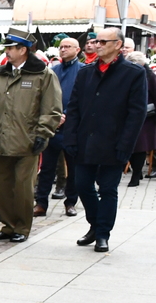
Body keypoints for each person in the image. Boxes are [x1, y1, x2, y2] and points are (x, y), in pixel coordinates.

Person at [63, 27, 148, 252]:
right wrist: (71, 137)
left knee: (108, 189)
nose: (96, 45)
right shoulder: (86, 72)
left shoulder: (133, 73)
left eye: (102, 42)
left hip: (114, 142)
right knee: (82, 185)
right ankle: (95, 224)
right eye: (95, 41)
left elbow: (136, 113)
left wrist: (126, 145)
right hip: (85, 141)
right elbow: (74, 107)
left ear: (117, 45)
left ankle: (102, 234)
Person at [0, 34, 62, 243]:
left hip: (28, 141)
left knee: (23, 188)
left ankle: (22, 227)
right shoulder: (0, 76)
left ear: (23, 49)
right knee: (4, 187)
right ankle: (8, 226)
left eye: (11, 48)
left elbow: (51, 108)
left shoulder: (43, 74)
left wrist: (43, 133)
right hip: (2, 139)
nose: (6, 52)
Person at [36, 37, 84, 217]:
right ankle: (41, 203)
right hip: (53, 128)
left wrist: (66, 115)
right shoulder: (52, 71)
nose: (63, 49)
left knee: (73, 169)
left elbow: (82, 99)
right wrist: (53, 116)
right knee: (47, 168)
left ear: (77, 50)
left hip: (72, 128)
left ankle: (70, 202)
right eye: (61, 47)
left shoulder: (83, 71)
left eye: (67, 46)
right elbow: (44, 96)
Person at [126, 50, 156, 186]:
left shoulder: (150, 77)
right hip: (129, 115)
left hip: (146, 118)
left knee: (139, 146)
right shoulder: (127, 76)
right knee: (130, 146)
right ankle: (136, 172)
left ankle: (136, 175)